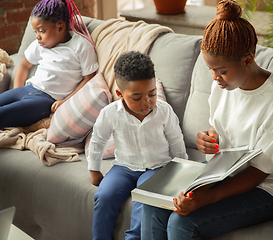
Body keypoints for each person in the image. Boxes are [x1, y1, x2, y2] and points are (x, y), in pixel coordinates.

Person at [141, 0, 273, 239]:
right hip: (220, 173)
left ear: (248, 60)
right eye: (211, 70)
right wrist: (208, 138)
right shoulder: (223, 85)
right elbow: (218, 127)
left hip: (265, 188)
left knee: (182, 223)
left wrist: (208, 198)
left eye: (222, 70)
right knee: (155, 204)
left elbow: (259, 172)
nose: (215, 78)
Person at [87, 51, 188, 240]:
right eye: (136, 97)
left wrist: (182, 170)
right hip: (123, 167)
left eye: (152, 94)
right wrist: (94, 170)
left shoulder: (164, 111)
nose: (146, 102)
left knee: (144, 199)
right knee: (104, 196)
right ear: (120, 94)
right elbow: (98, 141)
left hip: (157, 167)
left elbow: (176, 140)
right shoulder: (110, 113)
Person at [0, 0, 98, 130]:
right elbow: (24, 65)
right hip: (26, 89)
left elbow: (89, 78)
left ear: (60, 27)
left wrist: (66, 101)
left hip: (45, 101)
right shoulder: (40, 45)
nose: (37, 37)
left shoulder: (81, 46)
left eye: (41, 31)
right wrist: (17, 90)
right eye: (35, 31)